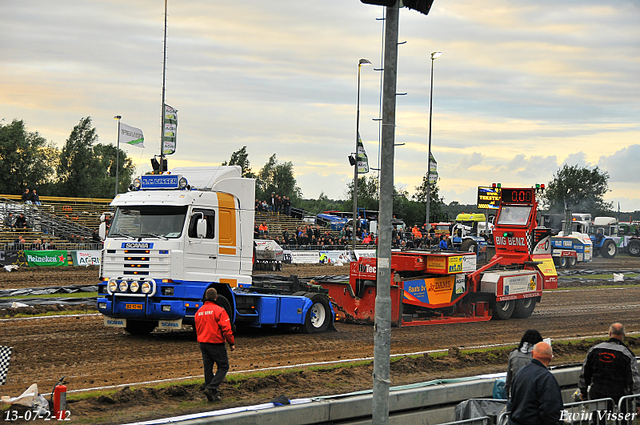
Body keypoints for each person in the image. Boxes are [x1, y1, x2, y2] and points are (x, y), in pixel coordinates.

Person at [578, 323, 640, 417]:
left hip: (597, 393)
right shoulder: (627, 354)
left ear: (610, 333)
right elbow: (634, 381)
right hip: (620, 395)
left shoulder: (594, 350)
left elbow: (585, 373)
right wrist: (638, 402)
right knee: (623, 421)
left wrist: (583, 391)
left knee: (598, 420)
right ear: (624, 335)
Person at [507, 342, 563, 425]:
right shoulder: (546, 378)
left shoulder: (520, 373)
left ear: (532, 353)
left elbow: (512, 401)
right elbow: (551, 409)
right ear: (551, 357)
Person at [195, 288, 235, 402]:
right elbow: (226, 329)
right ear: (216, 297)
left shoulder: (199, 311)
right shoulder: (220, 311)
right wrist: (231, 342)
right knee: (223, 366)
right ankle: (211, 388)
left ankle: (212, 396)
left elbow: (197, 328)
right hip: (216, 343)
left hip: (203, 343)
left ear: (206, 298)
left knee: (208, 368)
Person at [506, 330, 544, 397]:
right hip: (531, 397)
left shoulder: (513, 355)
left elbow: (509, 378)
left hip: (515, 394)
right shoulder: (537, 357)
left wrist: (508, 393)